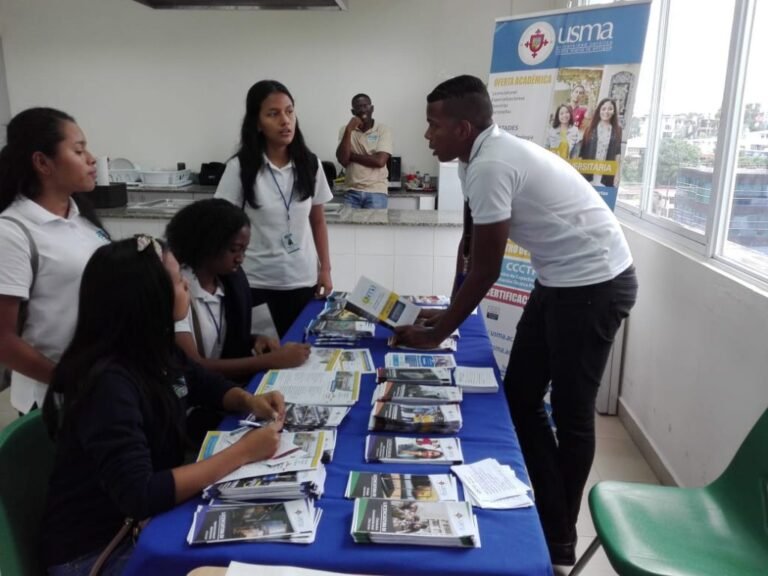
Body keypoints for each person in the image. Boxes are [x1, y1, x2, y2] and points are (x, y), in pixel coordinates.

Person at [392, 75, 638, 566]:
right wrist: (446, 312)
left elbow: (488, 269)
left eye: (433, 125)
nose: (426, 135)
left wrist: (438, 333)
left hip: (595, 285)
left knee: (571, 412)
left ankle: (559, 536)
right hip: (559, 280)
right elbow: (472, 245)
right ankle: (546, 503)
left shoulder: (492, 163)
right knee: (522, 397)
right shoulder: (476, 158)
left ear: (463, 128)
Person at [41, 237, 285, 575]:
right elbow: (140, 494)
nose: (186, 286)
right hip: (96, 551)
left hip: (145, 522)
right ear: (147, 299)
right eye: (177, 280)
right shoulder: (108, 384)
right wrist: (242, 452)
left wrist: (247, 400)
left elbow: (203, 383)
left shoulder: (154, 349)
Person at [0, 107, 110, 415]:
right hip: (56, 396)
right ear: (42, 163)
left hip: (101, 383)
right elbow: (4, 340)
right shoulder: (12, 231)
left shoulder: (82, 219)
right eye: (79, 150)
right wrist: (69, 381)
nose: (91, 159)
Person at [215, 80, 333, 338]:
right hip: (256, 284)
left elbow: (318, 221)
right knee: (264, 353)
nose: (285, 121)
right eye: (273, 114)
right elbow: (221, 226)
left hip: (303, 281)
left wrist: (325, 269)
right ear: (257, 123)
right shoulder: (240, 168)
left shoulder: (310, 164)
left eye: (289, 111)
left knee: (301, 351)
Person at [166, 198, 311, 381]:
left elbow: (224, 340)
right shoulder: (179, 292)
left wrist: (254, 339)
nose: (240, 258)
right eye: (234, 250)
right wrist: (272, 360)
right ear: (206, 245)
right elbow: (193, 366)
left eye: (244, 250)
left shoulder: (229, 282)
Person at [336, 93, 393, 209]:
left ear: (372, 108)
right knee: (348, 222)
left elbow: (379, 161)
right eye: (358, 107)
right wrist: (349, 130)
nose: (362, 110)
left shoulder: (383, 130)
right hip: (351, 191)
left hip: (376, 192)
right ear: (353, 111)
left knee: (375, 223)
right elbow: (343, 160)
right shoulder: (345, 130)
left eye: (365, 106)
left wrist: (352, 156)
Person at [579, 98, 622, 187]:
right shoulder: (590, 128)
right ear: (599, 110)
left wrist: (617, 174)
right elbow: (582, 152)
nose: (606, 112)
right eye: (603, 109)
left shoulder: (617, 130)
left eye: (610, 109)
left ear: (614, 111)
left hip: (606, 173)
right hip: (589, 172)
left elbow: (617, 154)